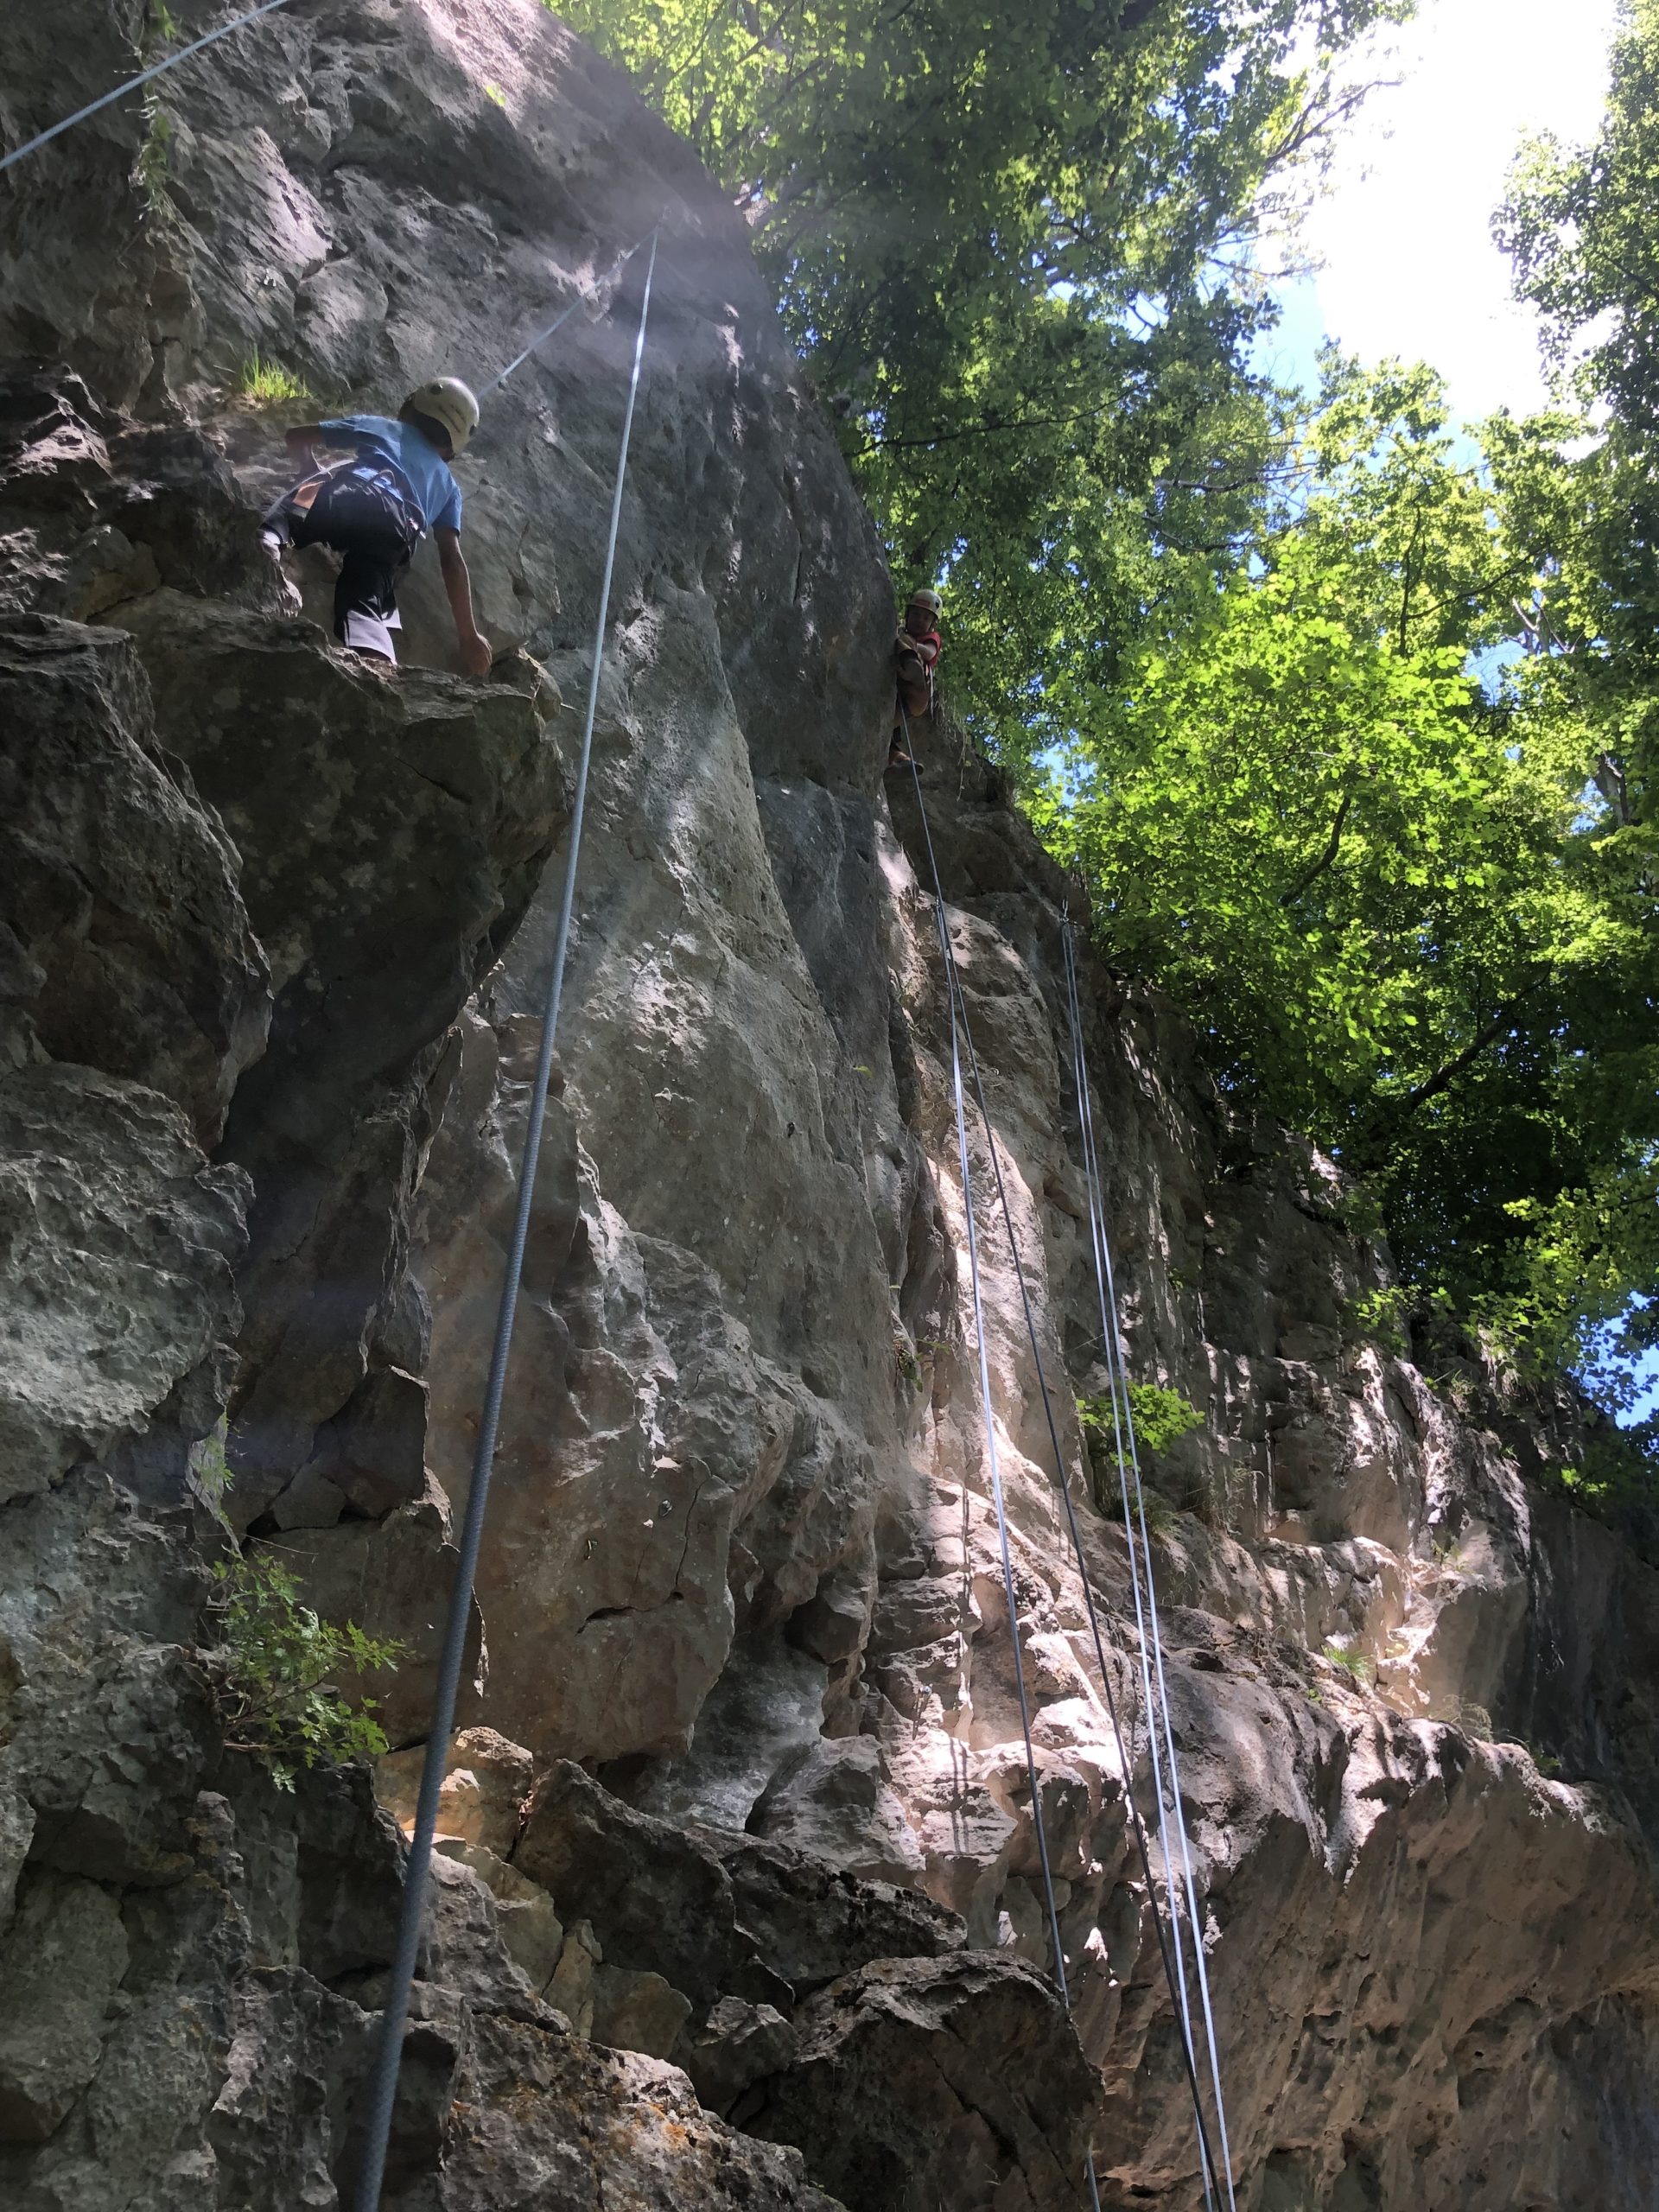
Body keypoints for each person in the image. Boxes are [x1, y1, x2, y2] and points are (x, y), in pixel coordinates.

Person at [262, 378, 492, 674]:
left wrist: (309, 469)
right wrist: (469, 636)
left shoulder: (384, 427)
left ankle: (269, 542)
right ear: (452, 450)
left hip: (359, 492)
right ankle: (379, 667)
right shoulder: (449, 488)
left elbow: (296, 437)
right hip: (397, 534)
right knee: (364, 598)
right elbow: (452, 560)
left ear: (409, 407)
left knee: (297, 504)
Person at [889, 587, 942, 766]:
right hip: (908, 701)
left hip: (920, 688)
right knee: (885, 723)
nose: (920, 620)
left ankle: (911, 663)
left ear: (932, 624)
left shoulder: (931, 637)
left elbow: (930, 653)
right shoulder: (904, 632)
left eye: (926, 618)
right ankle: (898, 759)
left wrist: (913, 646)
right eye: (916, 615)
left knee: (903, 640)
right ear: (908, 614)